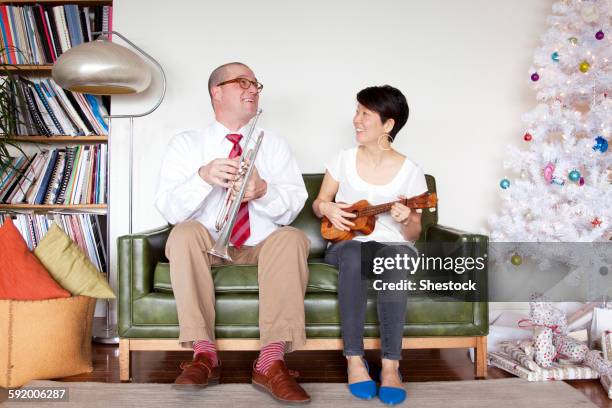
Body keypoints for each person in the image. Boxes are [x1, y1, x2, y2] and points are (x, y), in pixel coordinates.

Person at [155, 62, 311, 404]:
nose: (253, 89)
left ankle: (270, 362)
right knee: (182, 234)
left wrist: (263, 190)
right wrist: (202, 177)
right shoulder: (186, 144)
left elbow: (294, 205)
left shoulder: (275, 144)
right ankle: (204, 354)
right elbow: (170, 210)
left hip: (261, 247)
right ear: (217, 91)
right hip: (208, 245)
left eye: (256, 84)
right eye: (243, 82)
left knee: (293, 237)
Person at [312, 85, 427, 405]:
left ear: (388, 125)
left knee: (396, 261)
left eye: (365, 114)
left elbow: (413, 235)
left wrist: (407, 219)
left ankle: (391, 366)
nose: (356, 120)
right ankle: (354, 360)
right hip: (348, 243)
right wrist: (328, 208)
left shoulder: (410, 171)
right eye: (357, 112)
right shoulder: (343, 159)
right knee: (354, 254)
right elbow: (319, 203)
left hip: (392, 245)